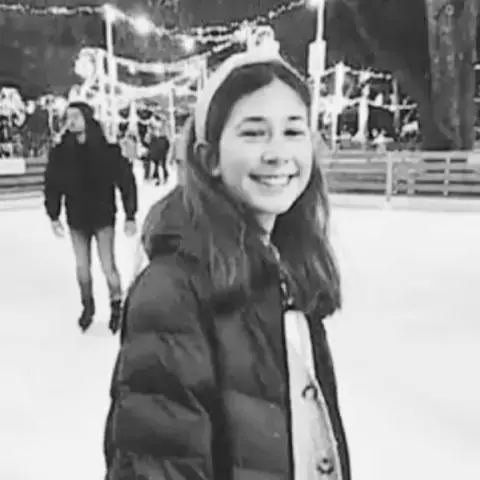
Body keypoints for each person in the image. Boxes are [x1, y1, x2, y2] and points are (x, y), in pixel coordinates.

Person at [104, 48, 350, 479]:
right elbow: (158, 464)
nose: (278, 153)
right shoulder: (172, 291)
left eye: (293, 131)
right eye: (254, 133)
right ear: (210, 157)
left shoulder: (286, 268)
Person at [43, 101, 138, 334]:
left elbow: (126, 182)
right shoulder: (61, 154)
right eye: (68, 117)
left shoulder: (107, 151)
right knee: (82, 267)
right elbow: (52, 184)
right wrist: (53, 214)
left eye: (75, 116)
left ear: (87, 119)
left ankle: (116, 306)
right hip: (77, 218)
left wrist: (130, 215)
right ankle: (88, 306)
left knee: (108, 265)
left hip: (103, 216)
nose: (71, 121)